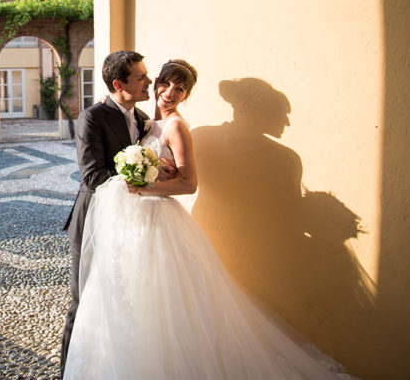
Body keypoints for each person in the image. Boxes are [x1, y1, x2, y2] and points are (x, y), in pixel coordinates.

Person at [63, 59, 360, 380]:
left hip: (155, 221)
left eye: (180, 89)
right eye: (162, 83)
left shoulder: (175, 126)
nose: (165, 91)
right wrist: (144, 175)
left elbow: (189, 183)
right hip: (121, 220)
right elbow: (94, 174)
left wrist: (145, 182)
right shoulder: (145, 122)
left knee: (157, 299)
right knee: (104, 299)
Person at [60, 50, 175, 374]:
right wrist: (141, 175)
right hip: (93, 220)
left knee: (121, 297)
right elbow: (93, 176)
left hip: (128, 222)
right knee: (83, 300)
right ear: (118, 83)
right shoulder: (92, 117)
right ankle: (69, 371)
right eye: (141, 77)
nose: (149, 82)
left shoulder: (143, 121)